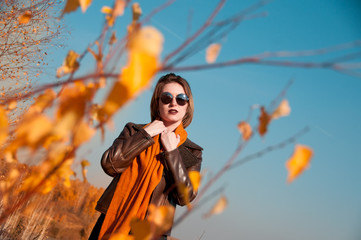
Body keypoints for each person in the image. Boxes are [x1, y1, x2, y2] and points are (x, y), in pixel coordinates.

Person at [89, 73, 203, 240]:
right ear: (157, 103)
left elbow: (185, 196)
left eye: (181, 98)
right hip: (113, 220)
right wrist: (145, 135)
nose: (173, 103)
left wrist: (172, 152)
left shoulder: (192, 152)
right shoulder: (133, 131)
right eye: (166, 97)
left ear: (187, 106)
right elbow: (109, 164)